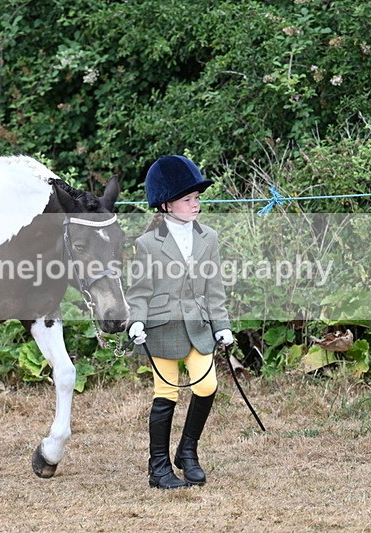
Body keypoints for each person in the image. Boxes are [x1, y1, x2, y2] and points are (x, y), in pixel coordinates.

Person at [126, 154, 233, 489]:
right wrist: (136, 322)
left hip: (198, 325)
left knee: (207, 386)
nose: (195, 204)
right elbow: (139, 290)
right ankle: (158, 467)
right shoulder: (147, 244)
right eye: (187, 200)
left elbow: (214, 287)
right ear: (166, 205)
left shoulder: (208, 237)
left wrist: (222, 325)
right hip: (162, 328)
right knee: (166, 392)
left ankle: (187, 452)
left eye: (196, 198)